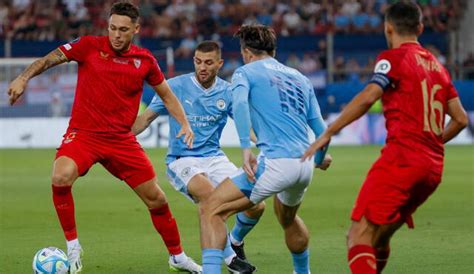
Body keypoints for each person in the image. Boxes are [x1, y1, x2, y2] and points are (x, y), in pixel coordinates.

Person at [7, 2, 202, 273]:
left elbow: (167, 96)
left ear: (135, 29)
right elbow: (49, 59)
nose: (116, 35)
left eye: (123, 29)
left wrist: (184, 123)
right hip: (84, 135)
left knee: (157, 199)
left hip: (121, 141)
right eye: (112, 28)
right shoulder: (88, 45)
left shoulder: (145, 61)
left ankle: (177, 256)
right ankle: (73, 245)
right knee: (60, 176)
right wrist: (23, 78)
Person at [301, 2, 468, 274]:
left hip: (403, 159)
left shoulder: (393, 58)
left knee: (358, 236)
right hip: (433, 168)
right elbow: (460, 119)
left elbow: (369, 96)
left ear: (387, 27)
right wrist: (434, 143)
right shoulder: (438, 67)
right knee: (379, 237)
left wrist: (329, 131)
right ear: (421, 28)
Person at [199, 24, 332, 274]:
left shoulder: (245, 72)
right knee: (287, 218)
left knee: (211, 209)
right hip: (303, 167)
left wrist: (245, 148)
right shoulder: (300, 78)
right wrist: (318, 159)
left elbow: (239, 104)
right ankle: (302, 272)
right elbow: (323, 132)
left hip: (274, 163)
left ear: (246, 52)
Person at [132, 40, 263, 274]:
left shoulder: (228, 92)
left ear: (219, 64)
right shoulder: (174, 86)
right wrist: (115, 135)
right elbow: (145, 119)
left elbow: (247, 127)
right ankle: (231, 260)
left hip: (214, 158)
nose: (202, 67)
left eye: (209, 63)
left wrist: (266, 143)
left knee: (257, 203)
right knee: (210, 197)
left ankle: (235, 240)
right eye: (198, 62)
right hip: (182, 160)